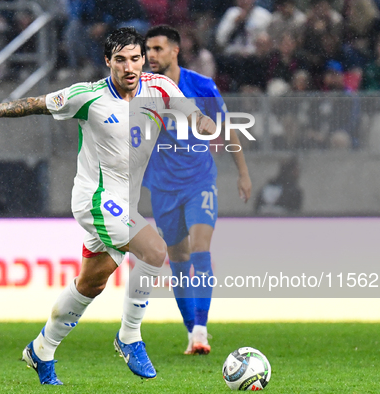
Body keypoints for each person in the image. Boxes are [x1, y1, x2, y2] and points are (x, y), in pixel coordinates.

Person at [0, 27, 216, 385]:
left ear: (144, 59)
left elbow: (189, 111)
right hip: (94, 199)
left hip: (125, 204)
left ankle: (41, 349)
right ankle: (129, 336)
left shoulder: (160, 88)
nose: (129, 67)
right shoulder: (88, 96)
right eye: (121, 59)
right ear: (108, 61)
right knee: (155, 252)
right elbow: (35, 104)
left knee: (90, 284)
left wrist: (201, 121)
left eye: (136, 58)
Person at [144, 25, 252, 355]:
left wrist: (243, 173)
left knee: (201, 247)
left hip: (198, 181)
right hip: (162, 186)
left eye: (158, 49)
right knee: (177, 258)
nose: (151, 56)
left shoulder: (201, 86)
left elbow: (227, 127)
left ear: (175, 51)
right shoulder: (142, 91)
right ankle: (192, 331)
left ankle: (202, 330)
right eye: (148, 49)